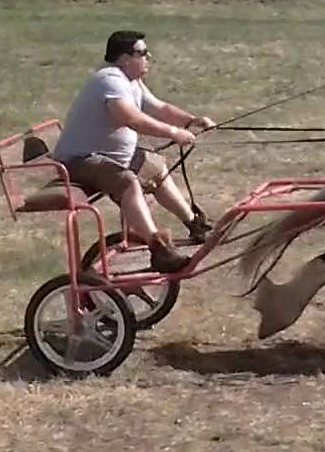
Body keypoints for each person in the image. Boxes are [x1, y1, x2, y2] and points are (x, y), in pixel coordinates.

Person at [52, 30, 216, 273]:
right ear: (124, 58)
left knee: (155, 167)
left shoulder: (131, 81)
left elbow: (159, 107)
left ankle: (195, 224)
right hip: (80, 160)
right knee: (127, 182)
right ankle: (159, 250)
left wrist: (191, 121)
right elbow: (132, 119)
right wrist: (174, 133)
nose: (148, 57)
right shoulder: (109, 81)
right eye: (142, 53)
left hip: (109, 156)